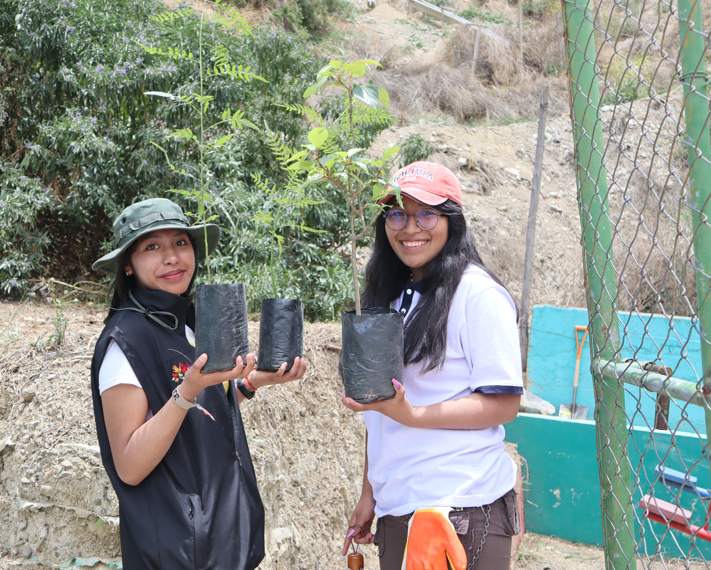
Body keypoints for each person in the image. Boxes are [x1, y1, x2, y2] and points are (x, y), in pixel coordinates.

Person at [89, 198, 306, 570]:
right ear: (127, 265)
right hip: (178, 551)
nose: (172, 257)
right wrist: (187, 390)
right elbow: (129, 465)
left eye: (180, 242)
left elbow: (194, 412)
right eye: (152, 247)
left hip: (223, 542)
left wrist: (251, 383)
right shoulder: (125, 341)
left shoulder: (186, 322)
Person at [340, 162, 523, 570]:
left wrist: (413, 414)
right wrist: (370, 492)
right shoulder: (390, 296)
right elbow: (381, 409)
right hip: (397, 506)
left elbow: (504, 403)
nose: (410, 228)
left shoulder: (477, 294)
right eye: (397, 214)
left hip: (460, 507)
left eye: (426, 214)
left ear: (451, 221)